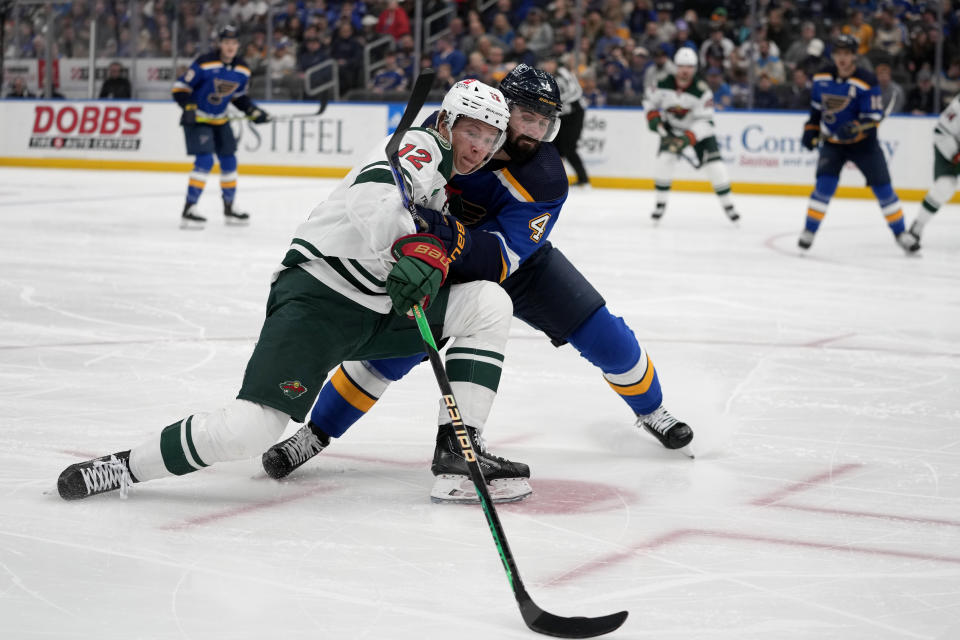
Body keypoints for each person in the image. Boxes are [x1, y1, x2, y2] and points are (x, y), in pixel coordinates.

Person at [56, 79, 514, 501]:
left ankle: (460, 448)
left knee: (488, 305)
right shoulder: (421, 144)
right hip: (321, 299)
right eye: (473, 130)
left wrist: (420, 255)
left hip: (378, 309)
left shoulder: (441, 180)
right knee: (249, 430)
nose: (480, 146)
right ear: (447, 121)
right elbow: (372, 197)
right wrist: (406, 247)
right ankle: (124, 468)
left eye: (491, 138)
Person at [260, 64, 695, 504]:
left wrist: (438, 230)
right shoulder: (450, 128)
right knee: (394, 352)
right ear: (501, 109)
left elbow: (502, 260)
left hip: (517, 265)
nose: (535, 132)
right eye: (527, 117)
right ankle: (314, 435)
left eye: (545, 123)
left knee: (605, 334)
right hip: (437, 257)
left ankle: (653, 410)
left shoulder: (544, 177)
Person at [798, 35, 919, 254]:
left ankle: (901, 234)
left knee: (883, 190)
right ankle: (809, 230)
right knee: (823, 187)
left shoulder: (866, 80)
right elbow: (816, 111)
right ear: (833, 55)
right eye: (838, 54)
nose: (842, 58)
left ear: (854, 56)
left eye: (847, 54)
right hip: (834, 144)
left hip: (865, 145)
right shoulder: (821, 77)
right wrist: (810, 129)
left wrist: (855, 126)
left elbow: (871, 119)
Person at [171, 25, 271, 230]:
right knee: (205, 161)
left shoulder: (243, 69)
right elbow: (179, 88)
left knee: (229, 160)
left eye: (234, 43)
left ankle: (230, 208)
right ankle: (189, 209)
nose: (230, 46)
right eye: (226, 43)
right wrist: (188, 106)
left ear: (238, 45)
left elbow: (238, 96)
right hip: (197, 120)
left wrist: (253, 111)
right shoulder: (204, 62)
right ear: (220, 44)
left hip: (220, 120)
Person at [643, 47, 741, 224]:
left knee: (716, 167)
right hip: (672, 129)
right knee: (664, 161)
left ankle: (728, 205)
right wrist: (653, 118)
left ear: (694, 69)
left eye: (689, 67)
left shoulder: (702, 91)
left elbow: (707, 122)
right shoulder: (662, 83)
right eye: (681, 66)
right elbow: (649, 101)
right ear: (675, 66)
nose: (685, 70)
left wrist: (688, 138)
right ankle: (660, 204)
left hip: (698, 134)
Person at [908, 93, 960, 243]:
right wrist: (955, 155)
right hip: (951, 146)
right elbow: (941, 132)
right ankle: (917, 227)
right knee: (944, 186)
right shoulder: (958, 106)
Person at [541, 56, 589, 187]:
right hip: (560, 115)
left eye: (551, 62)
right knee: (555, 147)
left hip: (574, 114)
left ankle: (583, 179)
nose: (549, 65)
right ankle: (554, 178)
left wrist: (555, 103)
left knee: (569, 148)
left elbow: (575, 92)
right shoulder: (546, 77)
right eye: (547, 62)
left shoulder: (564, 73)